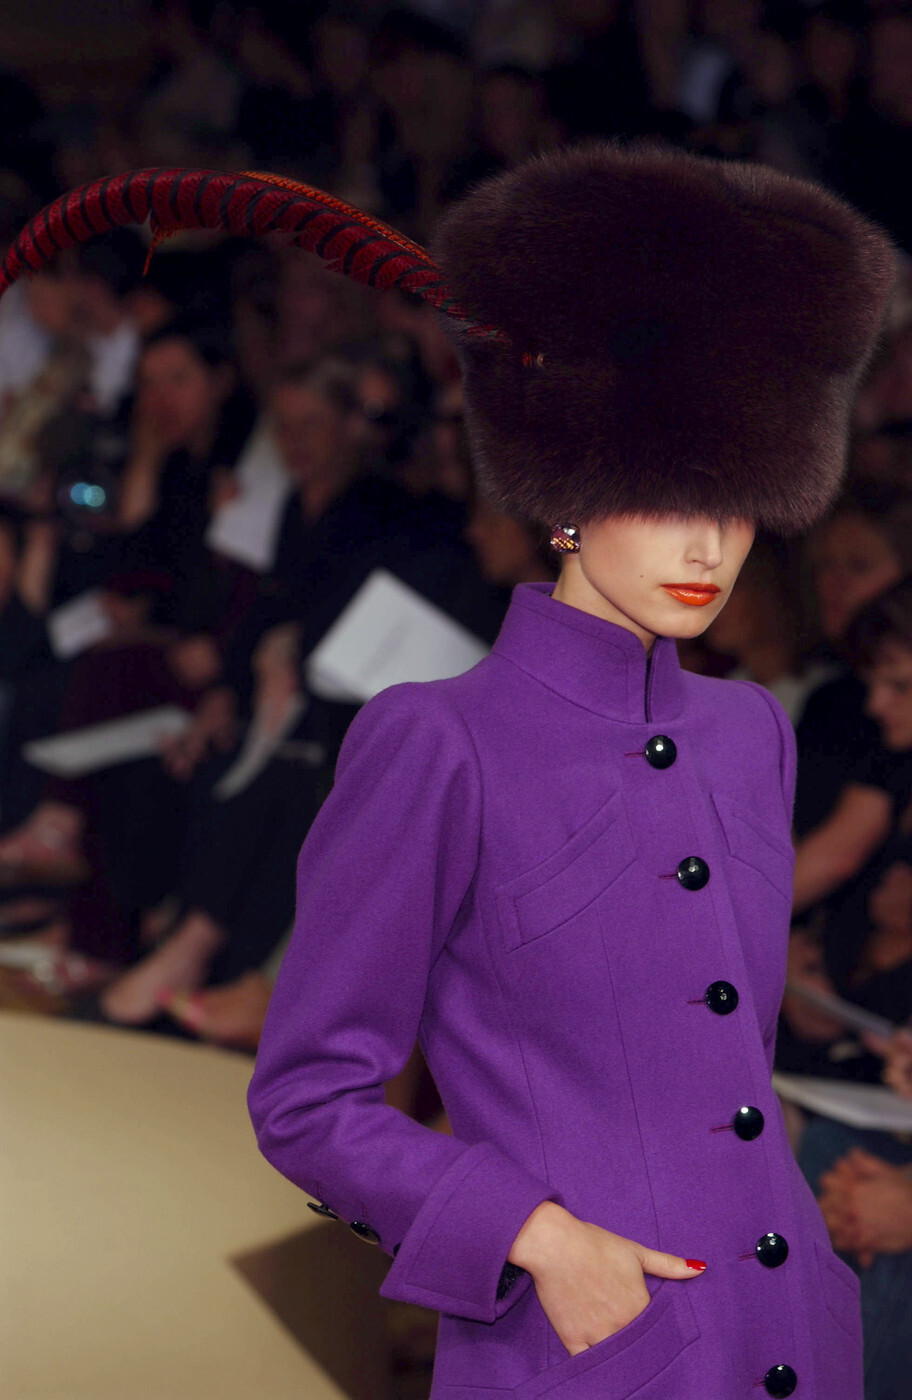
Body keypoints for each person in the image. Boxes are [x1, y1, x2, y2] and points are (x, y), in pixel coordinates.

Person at [1, 143, 896, 1399]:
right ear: (567, 493)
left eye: (737, 499)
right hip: (592, 1347)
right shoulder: (438, 739)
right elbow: (309, 1095)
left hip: (794, 1329)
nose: (707, 545)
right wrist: (538, 1236)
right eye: (666, 493)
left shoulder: (754, 730)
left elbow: (718, 1056)